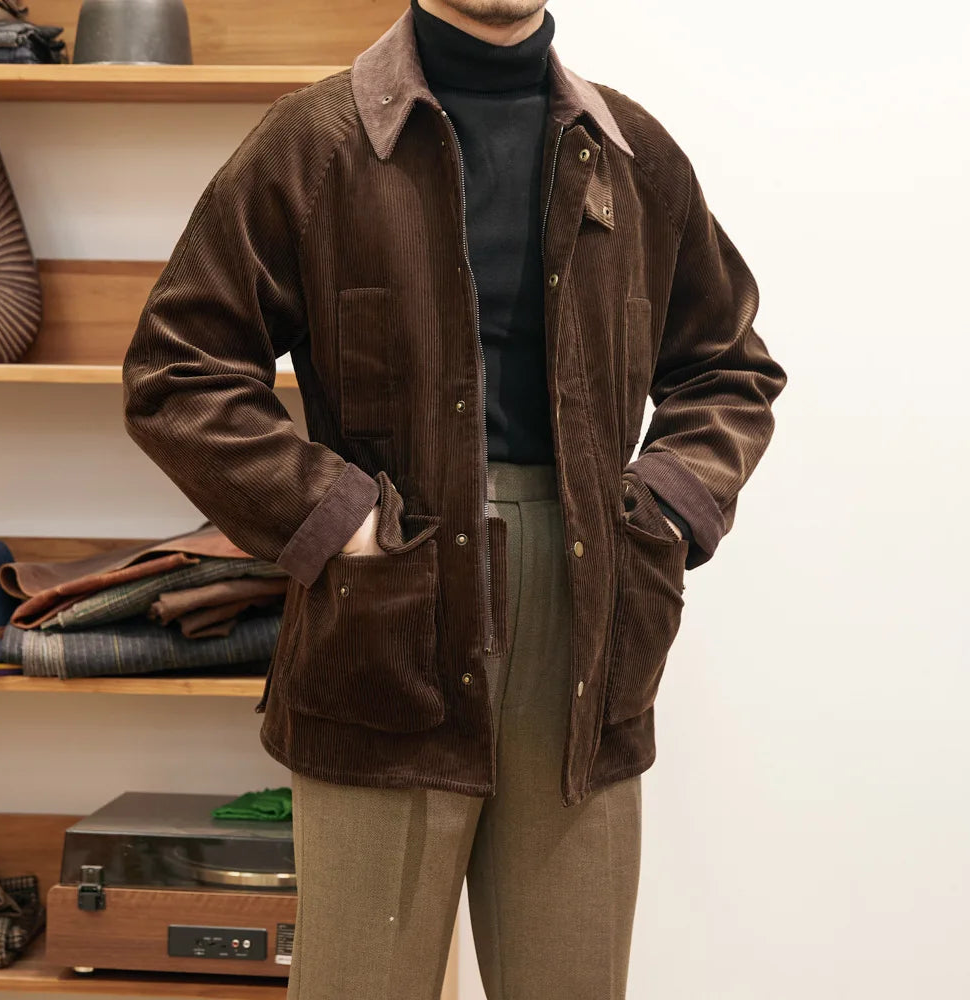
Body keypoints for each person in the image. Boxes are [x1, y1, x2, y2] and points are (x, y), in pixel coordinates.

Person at [121, 1, 788, 996]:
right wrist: (335, 516)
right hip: (384, 626)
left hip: (586, 639)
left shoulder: (633, 155)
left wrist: (659, 508)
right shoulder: (315, 145)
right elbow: (179, 373)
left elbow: (728, 369)